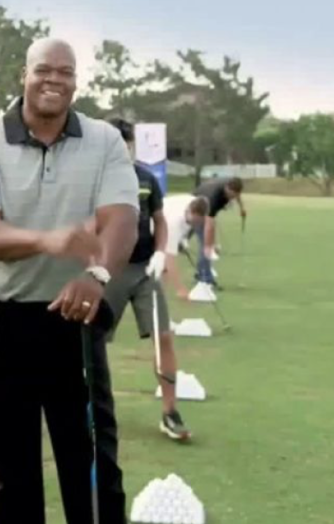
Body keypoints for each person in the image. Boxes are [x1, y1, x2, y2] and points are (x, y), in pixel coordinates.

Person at [0, 37, 140, 524]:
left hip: (75, 317)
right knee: (10, 468)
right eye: (44, 70)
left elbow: (121, 219)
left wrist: (97, 274)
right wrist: (47, 240)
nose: (54, 80)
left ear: (76, 81)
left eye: (65, 72)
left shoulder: (104, 141)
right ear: (25, 76)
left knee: (93, 463)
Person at [102, 119, 193, 441]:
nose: (122, 149)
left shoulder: (145, 178)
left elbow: (159, 221)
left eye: (126, 143)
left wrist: (160, 253)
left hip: (145, 269)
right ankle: (91, 409)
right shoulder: (94, 178)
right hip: (107, 271)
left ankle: (170, 412)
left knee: (163, 337)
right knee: (93, 343)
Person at [190, 176, 246, 287]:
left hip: (204, 206)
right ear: (227, 188)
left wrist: (242, 208)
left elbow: (237, 194)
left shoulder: (231, 184)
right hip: (195, 208)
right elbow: (209, 224)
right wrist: (210, 245)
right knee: (205, 244)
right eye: (231, 195)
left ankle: (202, 273)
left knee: (208, 243)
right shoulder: (214, 198)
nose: (232, 198)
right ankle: (205, 278)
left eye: (234, 196)